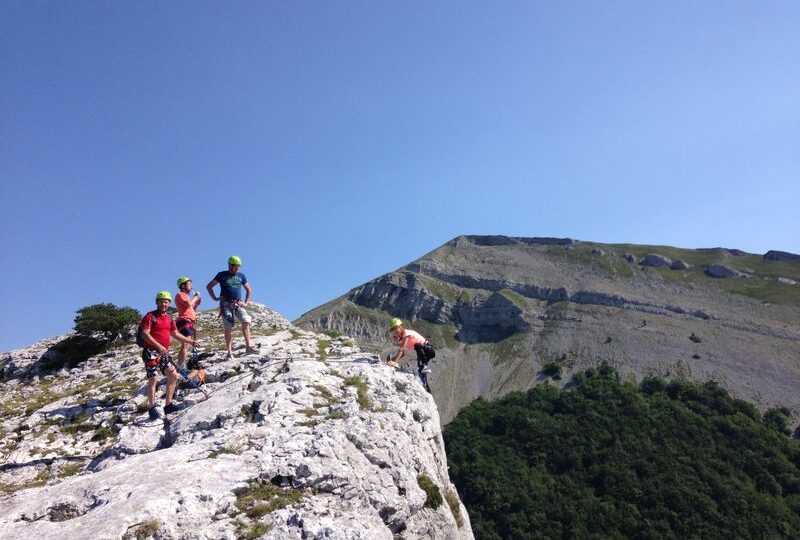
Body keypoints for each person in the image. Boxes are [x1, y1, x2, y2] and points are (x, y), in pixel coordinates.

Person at [140, 291, 196, 419]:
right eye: (161, 301)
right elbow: (145, 334)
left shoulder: (170, 318)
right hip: (151, 352)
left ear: (169, 303)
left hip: (163, 353)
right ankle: (152, 407)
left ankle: (168, 405)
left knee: (173, 374)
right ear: (157, 302)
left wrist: (191, 341)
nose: (164, 304)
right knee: (154, 378)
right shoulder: (150, 316)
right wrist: (158, 346)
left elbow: (175, 334)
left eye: (166, 302)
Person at [206, 255, 257, 359]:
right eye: (235, 266)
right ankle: (229, 352)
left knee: (246, 320)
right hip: (225, 304)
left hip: (237, 303)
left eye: (238, 266)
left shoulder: (241, 276)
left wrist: (246, 302)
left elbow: (248, 289)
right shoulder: (221, 275)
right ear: (230, 265)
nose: (237, 268)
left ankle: (248, 347)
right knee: (228, 328)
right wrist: (215, 298)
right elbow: (209, 286)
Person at [386, 317, 435, 393]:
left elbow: (402, 349)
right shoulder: (401, 339)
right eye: (393, 331)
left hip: (429, 350)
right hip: (422, 353)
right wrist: (392, 359)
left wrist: (394, 362)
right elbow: (402, 354)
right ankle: (427, 390)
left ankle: (424, 367)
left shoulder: (407, 334)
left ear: (400, 327)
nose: (395, 332)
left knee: (417, 346)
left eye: (396, 329)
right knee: (421, 371)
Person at [174, 276, 202, 370]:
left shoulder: (186, 297)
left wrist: (196, 303)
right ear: (183, 285)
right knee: (185, 344)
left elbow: (191, 308)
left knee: (187, 344)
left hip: (189, 321)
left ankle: (182, 366)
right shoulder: (180, 295)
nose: (191, 286)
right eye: (189, 284)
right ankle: (181, 367)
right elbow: (188, 304)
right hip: (184, 321)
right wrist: (195, 297)